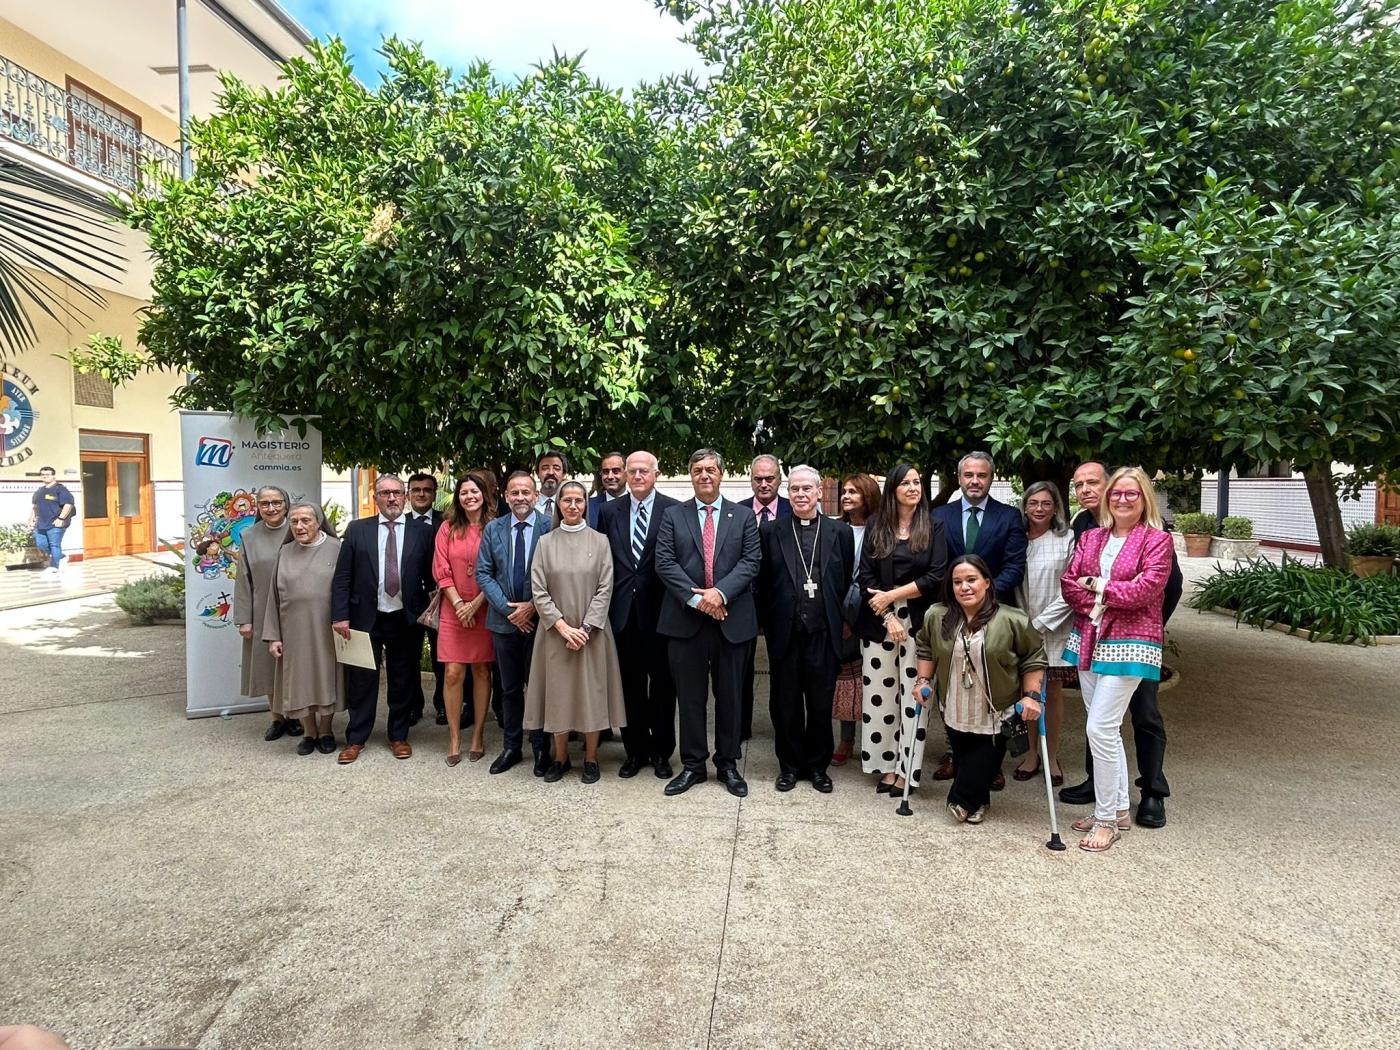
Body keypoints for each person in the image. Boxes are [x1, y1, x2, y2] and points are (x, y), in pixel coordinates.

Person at [1060, 460, 1183, 828]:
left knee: (1099, 727)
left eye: (1131, 493)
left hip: (1131, 643)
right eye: (1117, 493)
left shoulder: (1157, 540)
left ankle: (1106, 821)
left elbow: (1147, 590)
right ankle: (1116, 809)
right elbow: (1069, 583)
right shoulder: (1091, 536)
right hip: (1090, 638)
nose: (1123, 499)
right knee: (1106, 730)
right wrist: (1104, 596)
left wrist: (1097, 587)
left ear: (1144, 498)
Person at [655, 448, 762, 798]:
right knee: (689, 697)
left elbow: (751, 561)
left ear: (721, 474)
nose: (704, 475)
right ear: (691, 475)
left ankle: (728, 764)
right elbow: (665, 563)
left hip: (732, 619)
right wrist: (701, 599)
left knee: (730, 696)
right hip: (685, 621)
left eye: (711, 469)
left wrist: (720, 594)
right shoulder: (673, 515)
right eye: (698, 469)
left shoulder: (743, 516)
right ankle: (693, 765)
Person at [913, 555, 1047, 823]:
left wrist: (1031, 696)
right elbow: (925, 646)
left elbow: (1033, 657)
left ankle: (961, 800)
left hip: (997, 706)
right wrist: (923, 681)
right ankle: (978, 801)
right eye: (957, 582)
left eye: (971, 580)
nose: (965, 587)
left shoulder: (1013, 619)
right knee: (963, 753)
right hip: (954, 702)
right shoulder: (937, 615)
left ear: (987, 582)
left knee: (983, 757)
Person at [930, 451, 1027, 782]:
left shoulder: (1009, 517)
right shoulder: (939, 515)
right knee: (952, 684)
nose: (975, 481)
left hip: (993, 612)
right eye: (968, 475)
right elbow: (937, 564)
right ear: (959, 478)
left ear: (991, 478)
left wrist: (983, 598)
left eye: (981, 475)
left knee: (991, 684)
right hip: (951, 611)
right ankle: (954, 752)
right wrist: (958, 600)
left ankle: (991, 761)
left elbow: (1014, 564)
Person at [757, 465, 854, 793]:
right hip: (784, 631)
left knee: (819, 703)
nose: (800, 495)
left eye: (806, 489)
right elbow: (763, 583)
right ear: (788, 492)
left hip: (823, 633)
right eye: (795, 489)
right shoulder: (771, 531)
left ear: (818, 493)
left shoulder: (839, 532)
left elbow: (844, 581)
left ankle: (817, 767)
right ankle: (788, 766)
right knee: (784, 703)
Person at [853, 463, 948, 795]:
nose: (913, 487)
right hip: (880, 622)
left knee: (914, 697)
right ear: (893, 490)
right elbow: (866, 576)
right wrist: (888, 616)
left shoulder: (934, 526)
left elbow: (936, 576)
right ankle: (885, 765)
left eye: (917, 482)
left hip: (919, 624)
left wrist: (894, 596)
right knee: (880, 699)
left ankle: (907, 769)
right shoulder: (877, 524)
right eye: (905, 483)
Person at [523, 481, 627, 782]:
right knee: (558, 695)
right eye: (566, 500)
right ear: (558, 506)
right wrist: (562, 626)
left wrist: (584, 628)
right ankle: (561, 758)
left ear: (585, 505)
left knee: (591, 694)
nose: (572, 505)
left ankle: (591, 758)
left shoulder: (600, 541)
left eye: (578, 500)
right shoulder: (545, 543)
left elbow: (606, 587)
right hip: (555, 634)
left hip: (592, 633)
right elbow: (538, 590)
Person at [331, 474, 435, 764]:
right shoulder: (357, 530)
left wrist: (428, 611)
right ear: (375, 498)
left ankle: (398, 736)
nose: (391, 498)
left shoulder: (422, 532)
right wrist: (340, 616)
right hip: (365, 617)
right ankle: (356, 739)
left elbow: (431, 576)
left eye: (396, 493)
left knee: (403, 679)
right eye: (384, 493)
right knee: (362, 680)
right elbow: (343, 576)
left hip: (406, 618)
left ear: (404, 497)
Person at [596, 450, 680, 778]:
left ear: (656, 474)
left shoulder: (673, 509)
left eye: (644, 471)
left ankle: (661, 753)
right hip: (622, 615)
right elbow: (603, 562)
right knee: (629, 688)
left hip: (661, 614)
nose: (638, 476)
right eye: (633, 471)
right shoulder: (608, 511)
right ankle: (634, 752)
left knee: (662, 687)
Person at [477, 471, 553, 775]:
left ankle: (540, 746)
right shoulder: (493, 529)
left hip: (540, 623)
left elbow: (557, 572)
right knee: (508, 688)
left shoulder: (550, 527)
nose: (520, 497)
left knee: (538, 688)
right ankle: (511, 746)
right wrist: (510, 611)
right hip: (504, 623)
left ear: (535, 496)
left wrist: (533, 607)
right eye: (514, 492)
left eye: (526, 492)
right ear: (505, 496)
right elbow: (483, 572)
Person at [264, 502, 343, 756]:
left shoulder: (336, 548)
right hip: (293, 630)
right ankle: (309, 732)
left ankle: (327, 730)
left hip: (327, 628)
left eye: (306, 520)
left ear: (318, 522)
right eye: (294, 521)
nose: (299, 526)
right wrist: (273, 635)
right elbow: (273, 596)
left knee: (326, 678)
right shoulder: (284, 551)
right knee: (300, 681)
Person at [1012, 481, 1075, 785]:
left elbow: (1071, 588)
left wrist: (1039, 625)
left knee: (1052, 692)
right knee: (1028, 692)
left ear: (1056, 508)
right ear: (1024, 506)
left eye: (1046, 504)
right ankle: (1031, 754)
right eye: (1033, 503)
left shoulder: (1066, 539)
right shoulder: (1016, 539)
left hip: (1054, 627)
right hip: (1020, 625)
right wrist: (1023, 626)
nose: (1039, 509)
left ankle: (1052, 757)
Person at [433, 470, 497, 766]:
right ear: (457, 498)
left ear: (484, 494)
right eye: (464, 493)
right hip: (453, 609)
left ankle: (478, 736)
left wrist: (476, 604)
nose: (469, 497)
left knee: (482, 671)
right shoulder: (447, 528)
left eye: (474, 491)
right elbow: (441, 570)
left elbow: (499, 571)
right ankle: (455, 738)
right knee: (453, 673)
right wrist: (460, 604)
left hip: (485, 608)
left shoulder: (495, 528)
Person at [233, 485, 299, 742]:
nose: (271, 508)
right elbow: (243, 579)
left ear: (286, 503)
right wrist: (244, 619)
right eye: (264, 504)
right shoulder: (249, 536)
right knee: (267, 666)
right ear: (257, 507)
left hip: (295, 610)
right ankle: (276, 718)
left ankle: (296, 715)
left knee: (295, 664)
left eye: (276, 502)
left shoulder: (298, 529)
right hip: (261, 611)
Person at [740, 454, 790, 741]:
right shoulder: (738, 510)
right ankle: (741, 727)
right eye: (758, 479)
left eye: (769, 478)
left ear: (779, 479)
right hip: (744, 601)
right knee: (741, 668)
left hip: (780, 603)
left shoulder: (791, 510)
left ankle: (781, 727)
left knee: (781, 667)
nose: (763, 484)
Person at [832, 472, 881, 765]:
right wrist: (842, 618)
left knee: (874, 682)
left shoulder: (880, 531)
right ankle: (846, 739)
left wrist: (855, 616)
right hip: (841, 618)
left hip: (872, 614)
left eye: (854, 492)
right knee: (846, 680)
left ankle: (875, 740)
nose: (847, 496)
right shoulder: (835, 529)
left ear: (868, 496)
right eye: (845, 491)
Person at [406, 472, 447, 726]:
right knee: (409, 656)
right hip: (409, 600)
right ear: (408, 493)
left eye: (427, 490)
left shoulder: (446, 521)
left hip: (441, 598)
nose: (421, 494)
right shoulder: (400, 522)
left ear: (434, 494)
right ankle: (414, 705)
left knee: (441, 656)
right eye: (416, 489)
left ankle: (443, 704)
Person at [28, 467, 74, 576]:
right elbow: (35, 507)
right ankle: (61, 557)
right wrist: (31, 520)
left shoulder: (60, 489)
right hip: (40, 524)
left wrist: (61, 519)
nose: (45, 476)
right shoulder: (39, 491)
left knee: (54, 545)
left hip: (55, 524)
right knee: (41, 545)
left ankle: (54, 567)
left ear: (53, 476)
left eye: (47, 474)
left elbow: (68, 504)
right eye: (43, 474)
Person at [587, 452, 626, 528]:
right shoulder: (588, 507)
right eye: (606, 472)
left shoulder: (637, 505)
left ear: (627, 474)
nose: (610, 476)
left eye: (616, 471)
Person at [534, 450, 567, 519]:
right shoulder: (529, 504)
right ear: (537, 473)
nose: (551, 472)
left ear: (563, 474)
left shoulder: (570, 505)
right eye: (545, 468)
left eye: (556, 468)